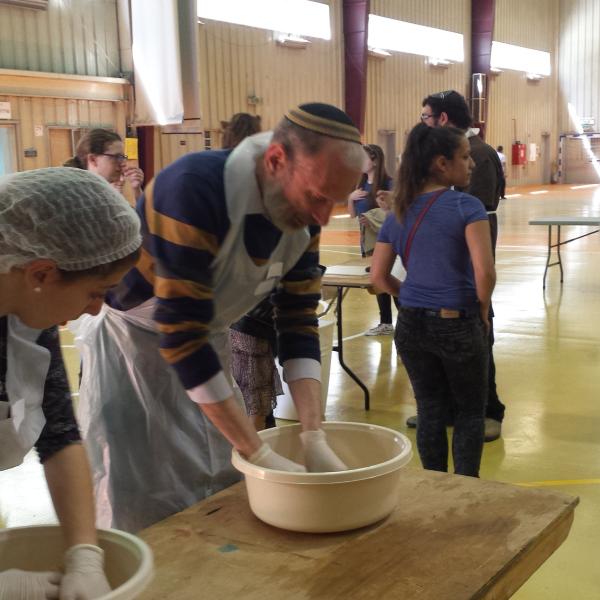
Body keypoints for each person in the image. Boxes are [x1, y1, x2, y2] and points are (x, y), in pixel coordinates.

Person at [76, 103, 365, 531]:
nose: (323, 217)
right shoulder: (193, 189)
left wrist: (312, 432)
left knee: (215, 488)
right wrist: (258, 452)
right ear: (275, 160)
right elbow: (181, 335)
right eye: (319, 197)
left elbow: (297, 318)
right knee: (141, 497)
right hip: (131, 350)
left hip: (206, 345)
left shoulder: (303, 209)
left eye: (335, 202)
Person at [0, 167, 141, 599]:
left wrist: (85, 553)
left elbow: (58, 431)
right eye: (96, 291)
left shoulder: (28, 314)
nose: (98, 309)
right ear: (41, 274)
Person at [371, 123, 495, 477]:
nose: (471, 164)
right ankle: (465, 487)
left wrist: (410, 297)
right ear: (442, 163)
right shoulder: (467, 206)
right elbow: (485, 272)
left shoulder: (398, 212)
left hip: (411, 324)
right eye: (465, 157)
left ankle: (434, 485)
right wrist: (482, 309)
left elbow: (378, 278)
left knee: (430, 409)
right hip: (457, 321)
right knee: (470, 412)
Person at [403, 90, 505, 441]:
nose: (423, 123)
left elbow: (473, 215)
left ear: (442, 118)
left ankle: (488, 410)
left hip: (467, 270)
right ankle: (442, 408)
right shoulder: (445, 157)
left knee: (479, 338)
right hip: (441, 272)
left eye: (426, 116)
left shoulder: (478, 155)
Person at [347, 144, 395, 336]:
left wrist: (374, 219)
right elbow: (352, 215)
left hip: (386, 241)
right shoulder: (360, 185)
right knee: (378, 282)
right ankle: (386, 322)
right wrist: (350, 198)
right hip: (367, 241)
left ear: (375, 161)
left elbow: (395, 213)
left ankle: (406, 321)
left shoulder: (388, 184)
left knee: (391, 280)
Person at [64, 128, 144, 200]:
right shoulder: (77, 195)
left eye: (123, 157)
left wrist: (136, 190)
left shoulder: (101, 192)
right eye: (117, 157)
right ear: (93, 159)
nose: (123, 164)